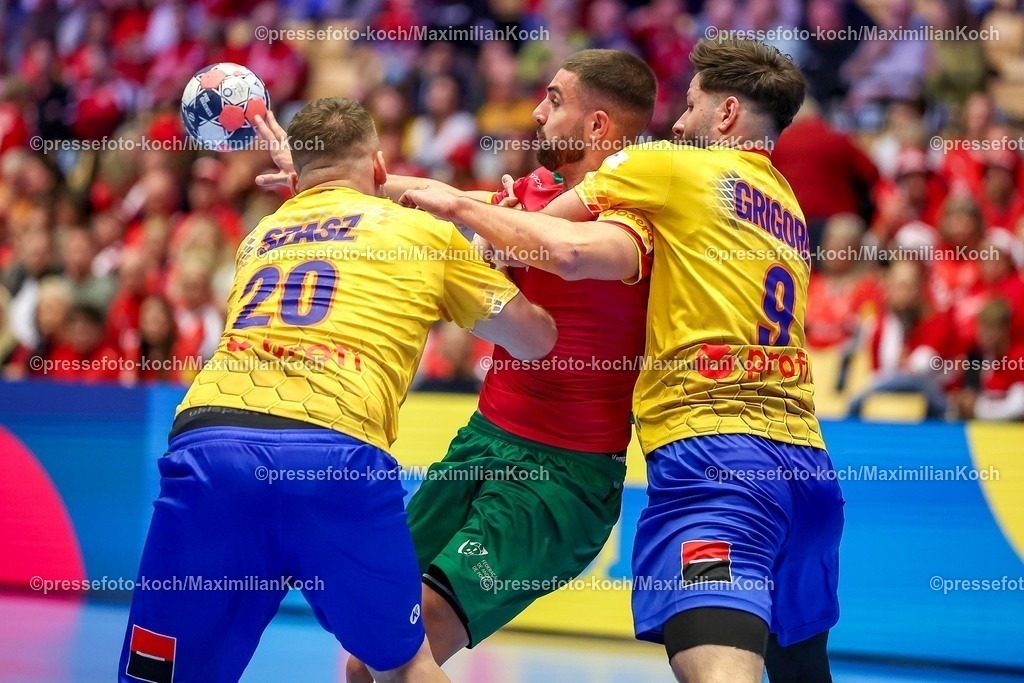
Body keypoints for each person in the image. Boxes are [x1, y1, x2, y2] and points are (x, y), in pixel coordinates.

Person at [404, 38, 845, 683]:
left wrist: (458, 204)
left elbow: (558, 244)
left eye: (690, 106)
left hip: (716, 464)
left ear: (725, 115)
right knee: (801, 670)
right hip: (807, 467)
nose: (677, 122)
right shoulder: (786, 209)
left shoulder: (666, 166)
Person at [118, 97, 556, 683]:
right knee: (401, 665)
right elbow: (533, 340)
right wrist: (505, 260)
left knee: (160, 671)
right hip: (333, 452)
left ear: (299, 174)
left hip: (210, 446)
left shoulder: (259, 236)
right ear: (378, 165)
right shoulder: (420, 231)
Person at [255, 48, 658, 682]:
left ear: (600, 125)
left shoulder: (636, 215)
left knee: (410, 644)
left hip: (561, 477)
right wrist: (326, 176)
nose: (536, 111)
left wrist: (471, 213)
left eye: (554, 100)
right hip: (483, 443)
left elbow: (556, 249)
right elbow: (425, 196)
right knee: (365, 651)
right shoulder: (535, 193)